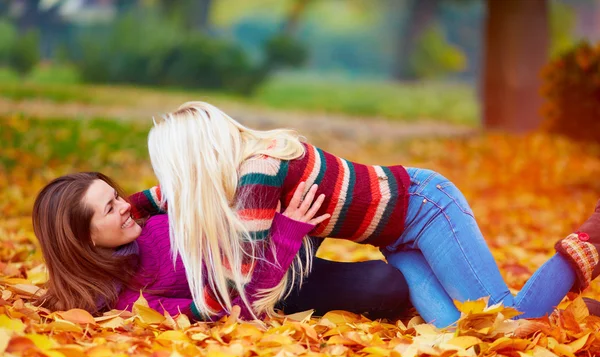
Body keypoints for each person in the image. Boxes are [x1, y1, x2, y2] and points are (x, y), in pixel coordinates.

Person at [146, 101, 600, 327]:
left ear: (195, 158)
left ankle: (592, 237)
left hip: (426, 205)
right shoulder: (242, 167)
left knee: (503, 320)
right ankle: (581, 315)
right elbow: (170, 194)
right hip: (393, 237)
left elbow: (241, 277)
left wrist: (199, 308)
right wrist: (129, 205)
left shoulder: (261, 170)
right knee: (458, 331)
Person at [31, 172, 413, 320]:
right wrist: (287, 232)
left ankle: (412, 221)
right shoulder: (134, 299)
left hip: (267, 239)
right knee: (388, 283)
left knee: (315, 180)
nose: (125, 206)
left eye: (117, 195)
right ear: (85, 239)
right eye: (110, 208)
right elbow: (234, 308)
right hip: (274, 285)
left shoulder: (132, 231)